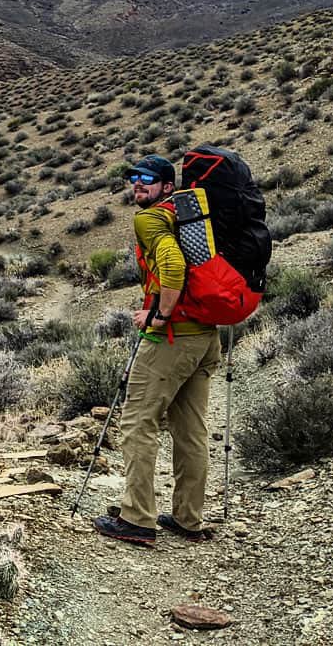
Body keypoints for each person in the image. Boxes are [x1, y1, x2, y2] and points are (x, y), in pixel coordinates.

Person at [95, 154, 222, 547]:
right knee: (190, 429)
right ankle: (188, 518)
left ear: (168, 185)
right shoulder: (190, 214)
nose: (138, 185)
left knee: (137, 423)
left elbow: (171, 264)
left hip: (174, 338)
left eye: (147, 179)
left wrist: (159, 315)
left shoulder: (150, 219)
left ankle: (137, 519)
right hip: (205, 337)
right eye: (134, 179)